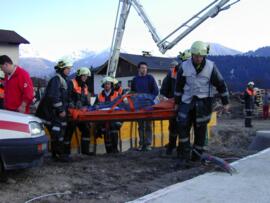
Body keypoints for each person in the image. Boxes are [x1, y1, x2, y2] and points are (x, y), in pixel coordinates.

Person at [174, 41, 229, 166]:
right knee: (183, 129)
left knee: (200, 130)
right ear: (192, 54)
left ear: (204, 55)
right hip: (187, 101)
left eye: (200, 56)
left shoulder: (211, 67)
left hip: (204, 103)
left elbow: (221, 84)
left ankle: (197, 156)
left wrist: (225, 102)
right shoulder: (184, 66)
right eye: (195, 56)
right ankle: (184, 155)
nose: (198, 58)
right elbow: (179, 86)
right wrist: (177, 103)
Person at [36, 58, 72, 161]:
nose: (69, 70)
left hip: (54, 113)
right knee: (56, 133)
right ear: (62, 69)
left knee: (58, 133)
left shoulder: (64, 80)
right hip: (51, 113)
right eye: (67, 68)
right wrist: (61, 110)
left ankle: (57, 154)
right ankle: (58, 155)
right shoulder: (56, 80)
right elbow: (54, 97)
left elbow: (65, 98)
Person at [161, 51, 191, 155]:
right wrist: (166, 97)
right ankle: (172, 145)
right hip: (175, 103)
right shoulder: (174, 72)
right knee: (173, 126)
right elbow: (165, 86)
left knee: (184, 126)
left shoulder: (192, 71)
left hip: (187, 103)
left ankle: (182, 148)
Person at [64, 67, 93, 156]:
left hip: (81, 113)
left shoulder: (85, 86)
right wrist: (72, 105)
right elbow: (66, 97)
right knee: (68, 132)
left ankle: (85, 151)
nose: (85, 78)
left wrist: (88, 107)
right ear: (79, 76)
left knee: (86, 130)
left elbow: (85, 100)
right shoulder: (71, 83)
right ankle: (66, 154)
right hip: (71, 113)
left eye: (86, 76)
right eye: (83, 76)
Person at [131, 62, 159, 151]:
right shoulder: (135, 79)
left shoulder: (150, 78)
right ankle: (141, 144)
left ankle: (148, 144)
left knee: (148, 125)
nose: (144, 69)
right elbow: (132, 92)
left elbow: (155, 91)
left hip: (148, 105)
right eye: (142, 68)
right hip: (138, 105)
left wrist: (149, 99)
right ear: (138, 69)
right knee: (140, 125)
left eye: (145, 68)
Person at [96, 76, 120, 153]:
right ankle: (108, 151)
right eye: (105, 84)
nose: (107, 85)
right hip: (103, 118)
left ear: (111, 85)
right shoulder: (99, 95)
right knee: (105, 130)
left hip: (115, 117)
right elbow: (95, 106)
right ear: (103, 85)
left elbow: (121, 105)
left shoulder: (117, 94)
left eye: (108, 84)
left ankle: (115, 149)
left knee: (113, 127)